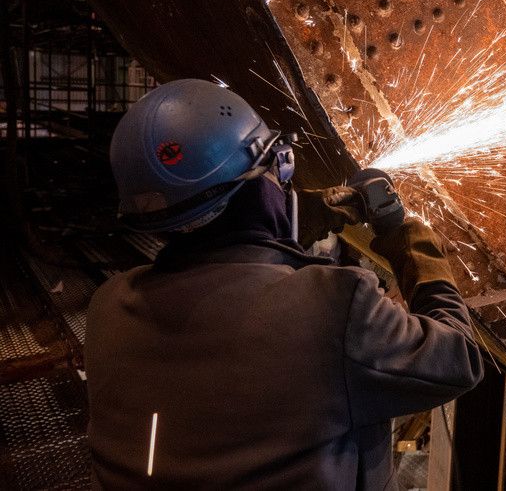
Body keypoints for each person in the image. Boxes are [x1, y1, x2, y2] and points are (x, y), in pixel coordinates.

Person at [86, 78, 483, 489]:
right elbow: (457, 358)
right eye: (280, 167)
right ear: (262, 183)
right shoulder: (336, 308)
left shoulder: (108, 307)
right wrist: (408, 241)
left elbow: (229, 247)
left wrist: (308, 214)